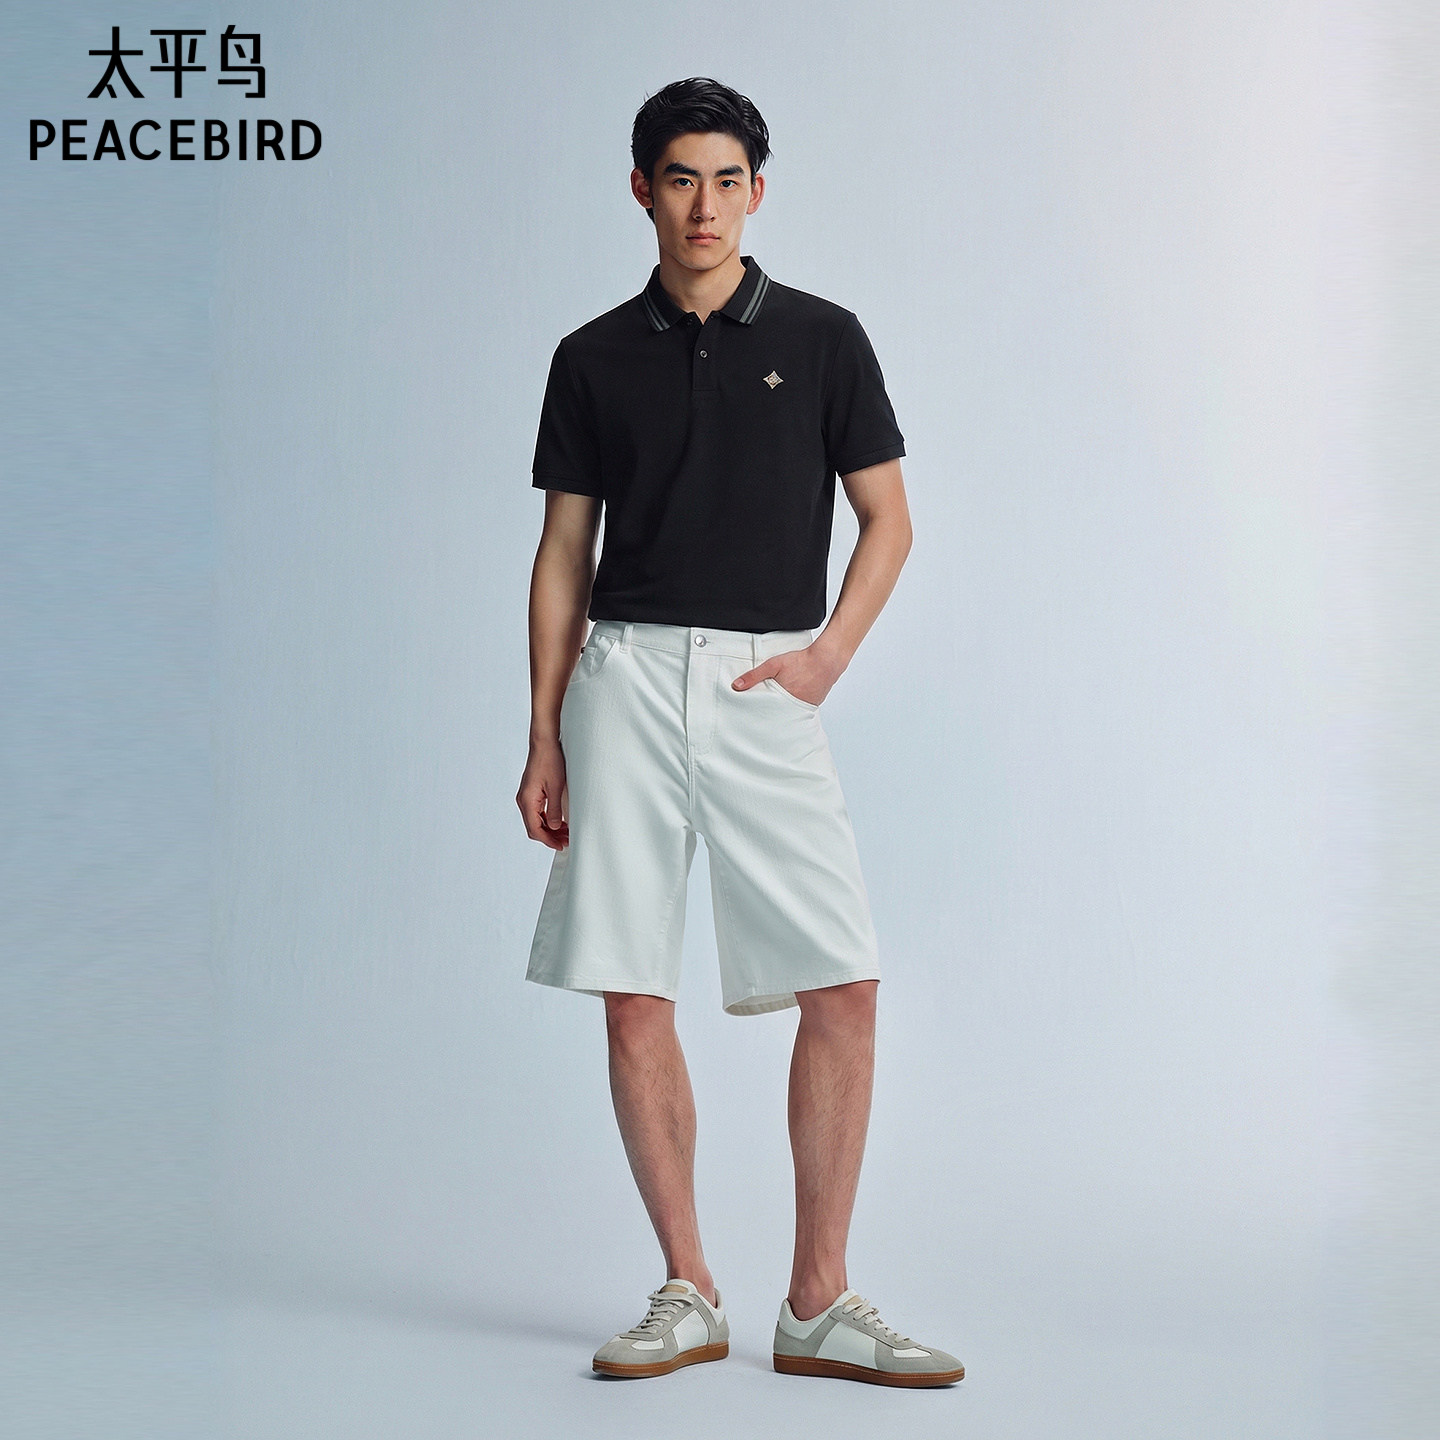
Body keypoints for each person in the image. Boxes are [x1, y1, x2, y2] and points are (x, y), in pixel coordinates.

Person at [515, 76, 963, 1389]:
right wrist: (543, 733)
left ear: (756, 192)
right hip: (624, 680)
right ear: (642, 191)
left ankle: (817, 1301)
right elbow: (562, 552)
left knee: (843, 982)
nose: (702, 206)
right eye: (679, 179)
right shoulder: (592, 356)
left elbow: (888, 519)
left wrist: (825, 658)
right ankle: (689, 1290)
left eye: (725, 180)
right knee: (630, 984)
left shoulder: (824, 339)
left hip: (764, 684)